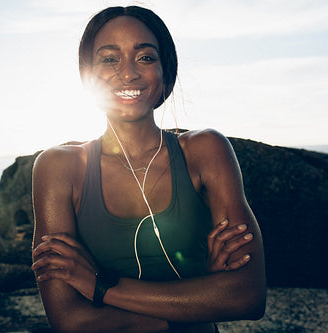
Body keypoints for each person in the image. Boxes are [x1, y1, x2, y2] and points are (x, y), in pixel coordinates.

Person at [31, 6, 266, 333]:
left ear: (165, 69)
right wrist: (201, 298)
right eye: (110, 59)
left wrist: (101, 287)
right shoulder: (59, 166)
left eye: (145, 57)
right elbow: (70, 321)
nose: (128, 74)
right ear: (88, 75)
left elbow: (247, 297)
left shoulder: (205, 151)